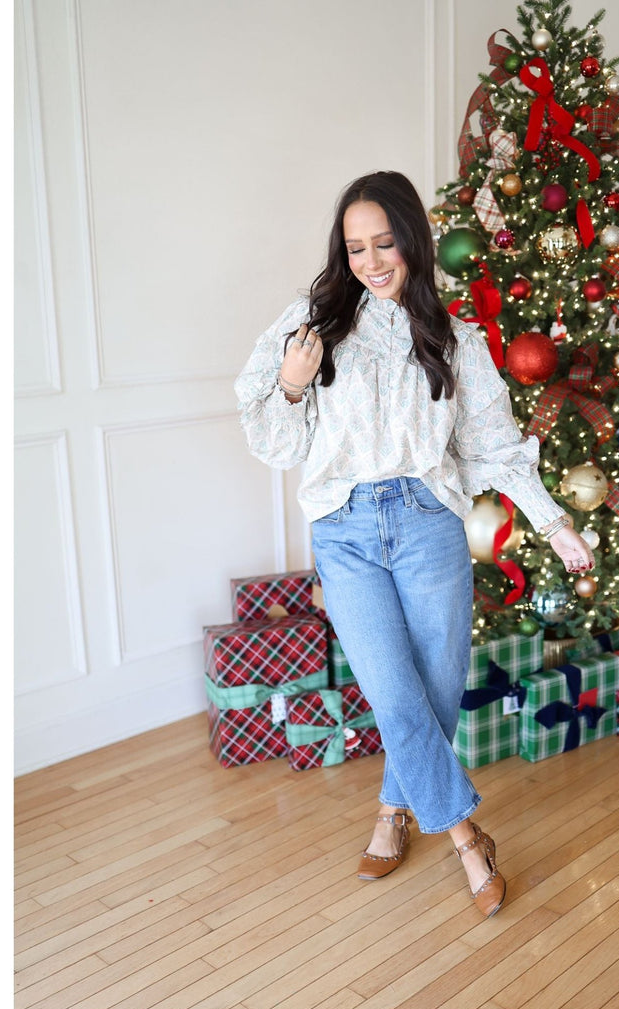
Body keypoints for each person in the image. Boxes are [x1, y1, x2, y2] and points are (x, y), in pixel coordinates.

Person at [234, 171, 593, 918]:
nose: (370, 261)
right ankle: (468, 839)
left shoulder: (455, 337)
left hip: (429, 520)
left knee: (432, 692)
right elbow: (270, 439)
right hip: (346, 527)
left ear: (412, 242)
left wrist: (555, 524)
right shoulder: (312, 321)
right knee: (395, 695)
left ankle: (392, 811)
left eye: (384, 243)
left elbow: (495, 448)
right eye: (355, 247)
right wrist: (294, 385)